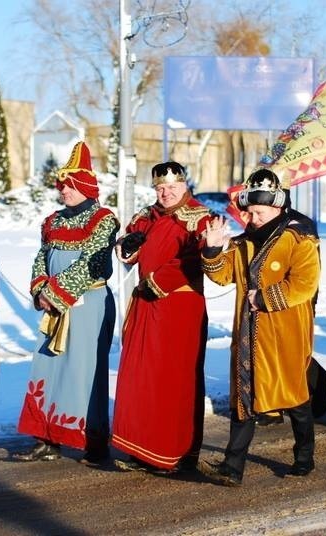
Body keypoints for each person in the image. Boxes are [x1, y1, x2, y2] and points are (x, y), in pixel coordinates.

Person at [199, 167, 320, 486]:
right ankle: (232, 466)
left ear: (278, 208)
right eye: (249, 212)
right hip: (248, 335)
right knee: (244, 398)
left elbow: (305, 284)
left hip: (286, 334)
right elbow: (222, 275)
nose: (251, 219)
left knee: (295, 396)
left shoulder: (299, 238)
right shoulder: (242, 244)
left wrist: (265, 298)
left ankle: (304, 455)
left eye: (259, 212)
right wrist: (212, 250)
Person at [14, 141, 120, 464]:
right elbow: (41, 259)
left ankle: (95, 442)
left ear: (84, 187)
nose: (63, 192)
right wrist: (40, 289)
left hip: (89, 308)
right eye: (62, 187)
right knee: (48, 367)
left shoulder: (103, 220)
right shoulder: (53, 222)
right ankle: (46, 437)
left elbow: (93, 263)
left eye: (69, 186)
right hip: (55, 306)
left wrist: (55, 294)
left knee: (85, 372)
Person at [111, 161, 212, 474]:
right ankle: (143, 448)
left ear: (184, 186)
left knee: (174, 380)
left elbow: (197, 259)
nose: (166, 193)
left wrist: (159, 281)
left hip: (179, 309)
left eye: (172, 188)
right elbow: (129, 248)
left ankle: (177, 451)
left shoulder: (200, 217)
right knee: (142, 378)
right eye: (160, 188)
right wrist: (126, 247)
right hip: (145, 305)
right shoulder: (147, 216)